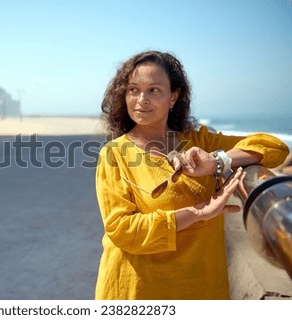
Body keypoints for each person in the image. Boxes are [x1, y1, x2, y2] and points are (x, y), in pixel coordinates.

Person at [95, 50, 289, 299]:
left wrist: (218, 161)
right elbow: (121, 230)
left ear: (173, 97)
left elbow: (276, 148)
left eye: (154, 90)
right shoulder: (114, 154)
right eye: (133, 89)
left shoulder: (199, 141)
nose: (141, 99)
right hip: (138, 291)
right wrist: (198, 213)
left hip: (203, 287)